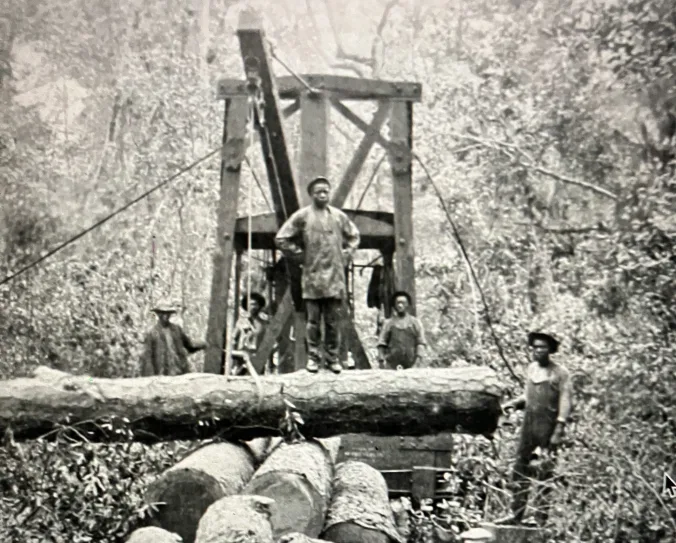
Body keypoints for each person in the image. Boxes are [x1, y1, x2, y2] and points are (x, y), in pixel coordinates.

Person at [275, 175, 360, 374]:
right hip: (312, 276)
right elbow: (281, 238)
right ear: (312, 195)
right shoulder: (302, 216)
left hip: (334, 278)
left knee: (332, 321)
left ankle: (332, 358)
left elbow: (354, 236)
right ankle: (313, 357)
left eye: (325, 191)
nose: (323, 195)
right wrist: (300, 256)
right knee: (312, 321)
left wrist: (345, 255)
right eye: (318, 192)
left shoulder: (339, 217)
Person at [497, 331, 573, 526]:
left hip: (548, 427)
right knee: (519, 469)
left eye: (542, 347)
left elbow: (565, 401)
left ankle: (540, 519)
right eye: (535, 347)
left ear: (550, 350)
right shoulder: (531, 369)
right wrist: (513, 404)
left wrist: (559, 428)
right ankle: (516, 513)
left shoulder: (560, 373)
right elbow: (527, 397)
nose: (538, 351)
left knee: (544, 471)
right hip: (529, 426)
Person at [139, 300, 206, 376]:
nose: (165, 316)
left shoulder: (176, 329)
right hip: (162, 375)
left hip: (179, 372)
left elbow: (189, 345)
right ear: (158, 314)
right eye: (162, 313)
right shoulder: (152, 333)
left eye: (168, 313)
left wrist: (203, 344)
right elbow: (148, 358)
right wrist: (151, 377)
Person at [377, 291, 427, 370]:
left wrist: (417, 362)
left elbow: (421, 343)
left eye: (403, 303)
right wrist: (381, 361)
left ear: (408, 305)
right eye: (398, 303)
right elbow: (381, 343)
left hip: (412, 365)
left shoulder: (415, 323)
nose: (400, 305)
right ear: (394, 305)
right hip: (391, 366)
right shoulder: (388, 323)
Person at [231, 292, 269, 375]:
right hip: (243, 357)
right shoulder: (241, 322)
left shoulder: (264, 322)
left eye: (255, 304)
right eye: (251, 304)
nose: (253, 307)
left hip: (258, 357)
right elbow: (233, 338)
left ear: (259, 306)